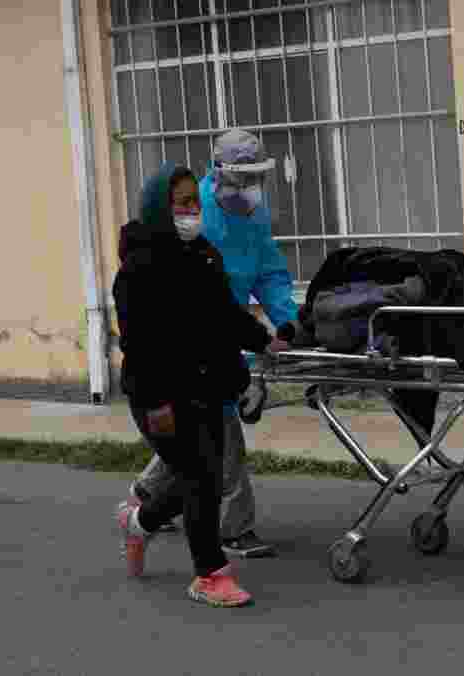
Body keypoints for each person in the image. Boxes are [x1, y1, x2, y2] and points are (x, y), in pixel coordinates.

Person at [113, 162, 290, 607]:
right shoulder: (138, 269)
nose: (193, 210)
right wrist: (156, 403)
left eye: (195, 202)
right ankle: (210, 574)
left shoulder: (204, 255)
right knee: (199, 476)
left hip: (206, 385)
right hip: (160, 394)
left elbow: (224, 316)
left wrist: (263, 342)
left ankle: (140, 523)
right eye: (183, 203)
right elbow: (140, 345)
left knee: (201, 477)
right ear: (160, 207)